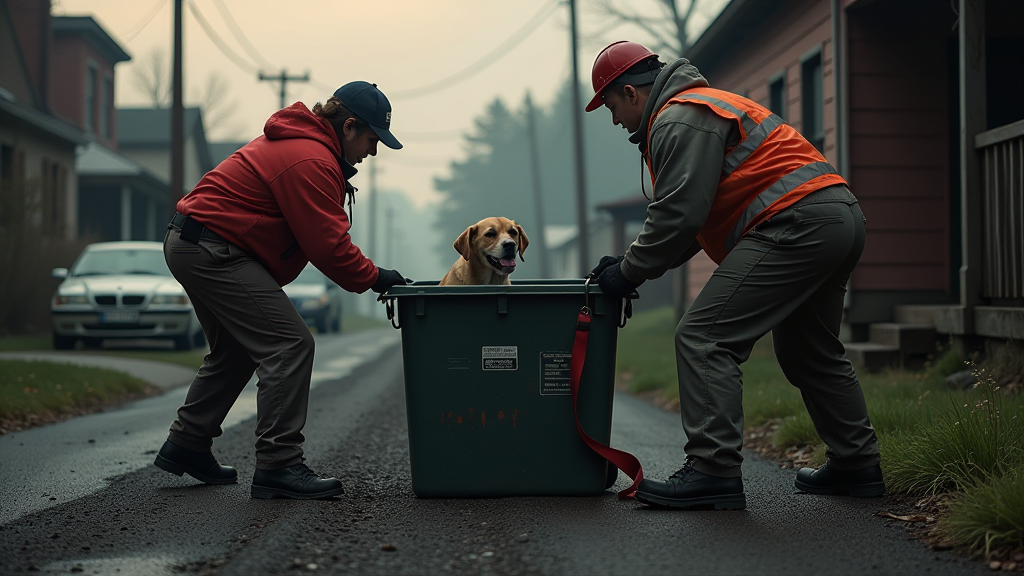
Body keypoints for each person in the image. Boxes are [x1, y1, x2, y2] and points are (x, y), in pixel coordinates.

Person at [586, 41, 883, 510]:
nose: (615, 119)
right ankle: (857, 463)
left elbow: (678, 214)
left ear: (631, 91)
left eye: (611, 106)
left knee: (704, 337)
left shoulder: (678, 118)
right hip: (837, 217)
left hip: (795, 223)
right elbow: (692, 223)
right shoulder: (699, 108)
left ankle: (712, 471)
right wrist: (631, 268)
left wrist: (628, 271)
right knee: (810, 349)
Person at [154, 81, 410, 500]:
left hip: (197, 242)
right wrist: (377, 277)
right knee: (288, 345)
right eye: (372, 138)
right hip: (214, 247)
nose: (374, 150)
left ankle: (187, 444)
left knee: (236, 348)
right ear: (348, 127)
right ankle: (278, 464)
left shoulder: (307, 149)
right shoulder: (309, 158)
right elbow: (328, 246)